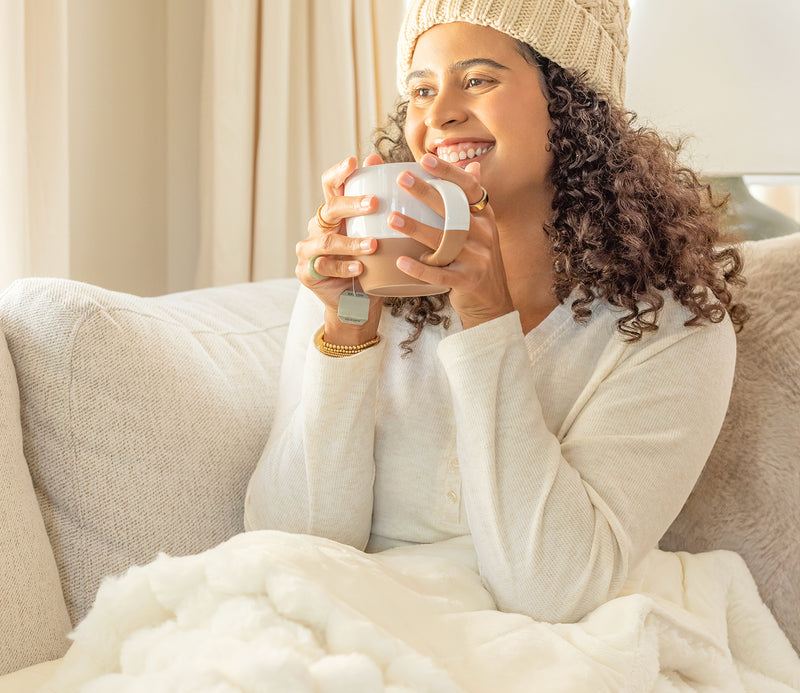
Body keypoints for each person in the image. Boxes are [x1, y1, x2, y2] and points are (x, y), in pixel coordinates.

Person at [244, 0, 747, 624]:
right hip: (344, 621)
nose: (439, 114)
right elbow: (290, 543)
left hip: (544, 645)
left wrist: (486, 319)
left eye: (478, 79)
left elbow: (551, 590)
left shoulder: (671, 327)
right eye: (421, 91)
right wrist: (348, 330)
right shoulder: (361, 282)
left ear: (570, 104)